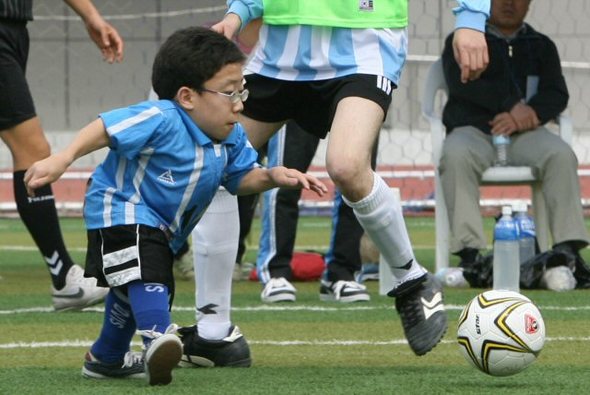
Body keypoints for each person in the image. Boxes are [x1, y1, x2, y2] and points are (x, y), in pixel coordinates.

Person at [180, 0, 490, 361]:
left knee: (346, 166)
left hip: (364, 42)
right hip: (282, 49)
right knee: (213, 166)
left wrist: (471, 18)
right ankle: (214, 335)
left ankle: (412, 280)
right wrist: (237, 15)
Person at [24, 27, 327, 385]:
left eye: (241, 91)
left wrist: (273, 176)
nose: (240, 103)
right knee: (148, 272)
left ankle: (105, 357)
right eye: (230, 92)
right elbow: (106, 128)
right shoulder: (161, 117)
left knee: (128, 288)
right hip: (120, 207)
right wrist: (63, 158)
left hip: (163, 229)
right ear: (187, 97)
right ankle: (158, 337)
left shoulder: (230, 137)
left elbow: (240, 178)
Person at [440, 0, 590, 289]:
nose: (509, 2)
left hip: (525, 134)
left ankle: (567, 251)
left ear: (530, 4)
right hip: (474, 129)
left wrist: (530, 115)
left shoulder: (541, 45)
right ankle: (470, 255)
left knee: (560, 155)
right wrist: (512, 107)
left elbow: (557, 93)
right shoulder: (462, 39)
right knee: (455, 155)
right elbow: (461, 85)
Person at [0, 0, 123, 311]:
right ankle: (64, 277)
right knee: (33, 150)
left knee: (29, 148)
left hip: (13, 28)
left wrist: (91, 16)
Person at [258, 121, 378, 303]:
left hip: (353, 94)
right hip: (300, 93)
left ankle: (342, 272)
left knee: (355, 179)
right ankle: (276, 271)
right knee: (285, 177)